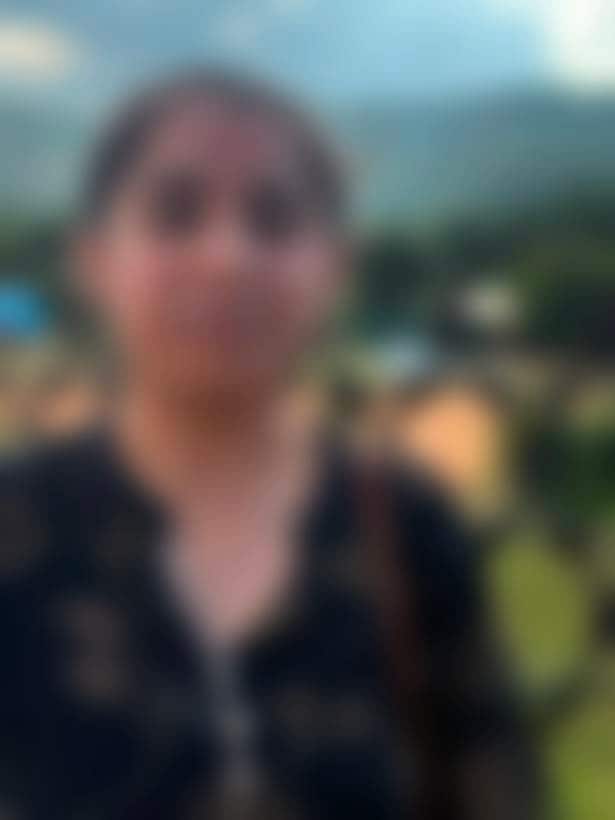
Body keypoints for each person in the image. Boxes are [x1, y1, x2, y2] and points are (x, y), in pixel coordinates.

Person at [0, 69, 536, 820]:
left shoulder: (407, 529)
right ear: (93, 260)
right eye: (175, 212)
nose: (227, 255)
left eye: (275, 218)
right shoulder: (18, 521)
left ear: (336, 268)